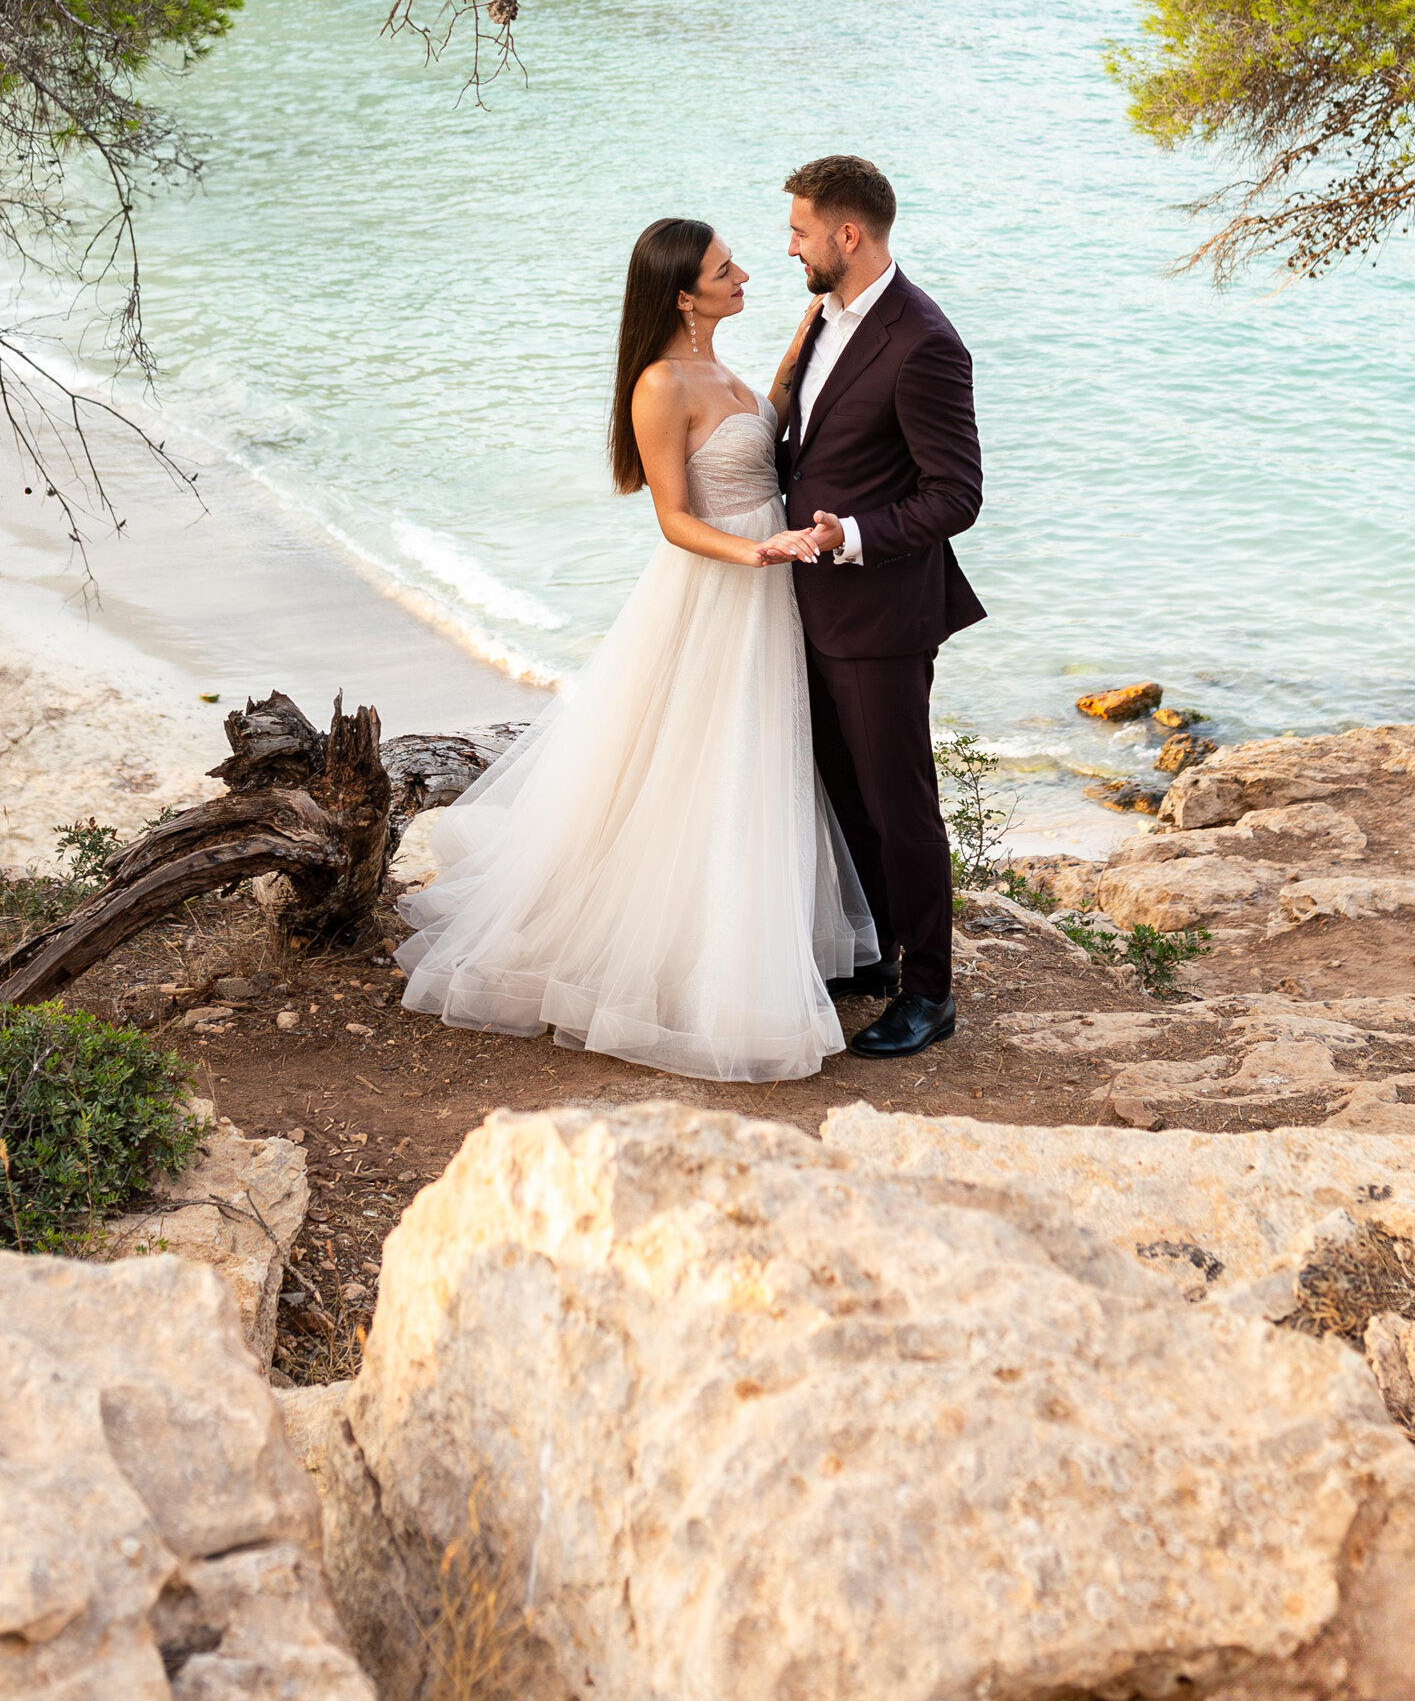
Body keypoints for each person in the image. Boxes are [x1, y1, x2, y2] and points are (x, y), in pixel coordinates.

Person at [391, 217, 879, 1081]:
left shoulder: (720, 368)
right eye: (726, 271)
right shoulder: (660, 383)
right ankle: (686, 957)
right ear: (682, 294)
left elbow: (759, 434)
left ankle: (745, 932)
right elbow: (673, 518)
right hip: (721, 583)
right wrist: (758, 551)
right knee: (703, 754)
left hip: (767, 585)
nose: (745, 277)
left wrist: (814, 332)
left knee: (753, 756)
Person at [775, 154, 986, 1061]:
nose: (789, 248)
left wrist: (848, 536)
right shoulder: (823, 313)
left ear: (846, 235)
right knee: (841, 792)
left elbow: (956, 496)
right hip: (805, 608)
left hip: (879, 616)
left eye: (799, 232)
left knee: (899, 804)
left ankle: (930, 992)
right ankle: (876, 954)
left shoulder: (924, 341)